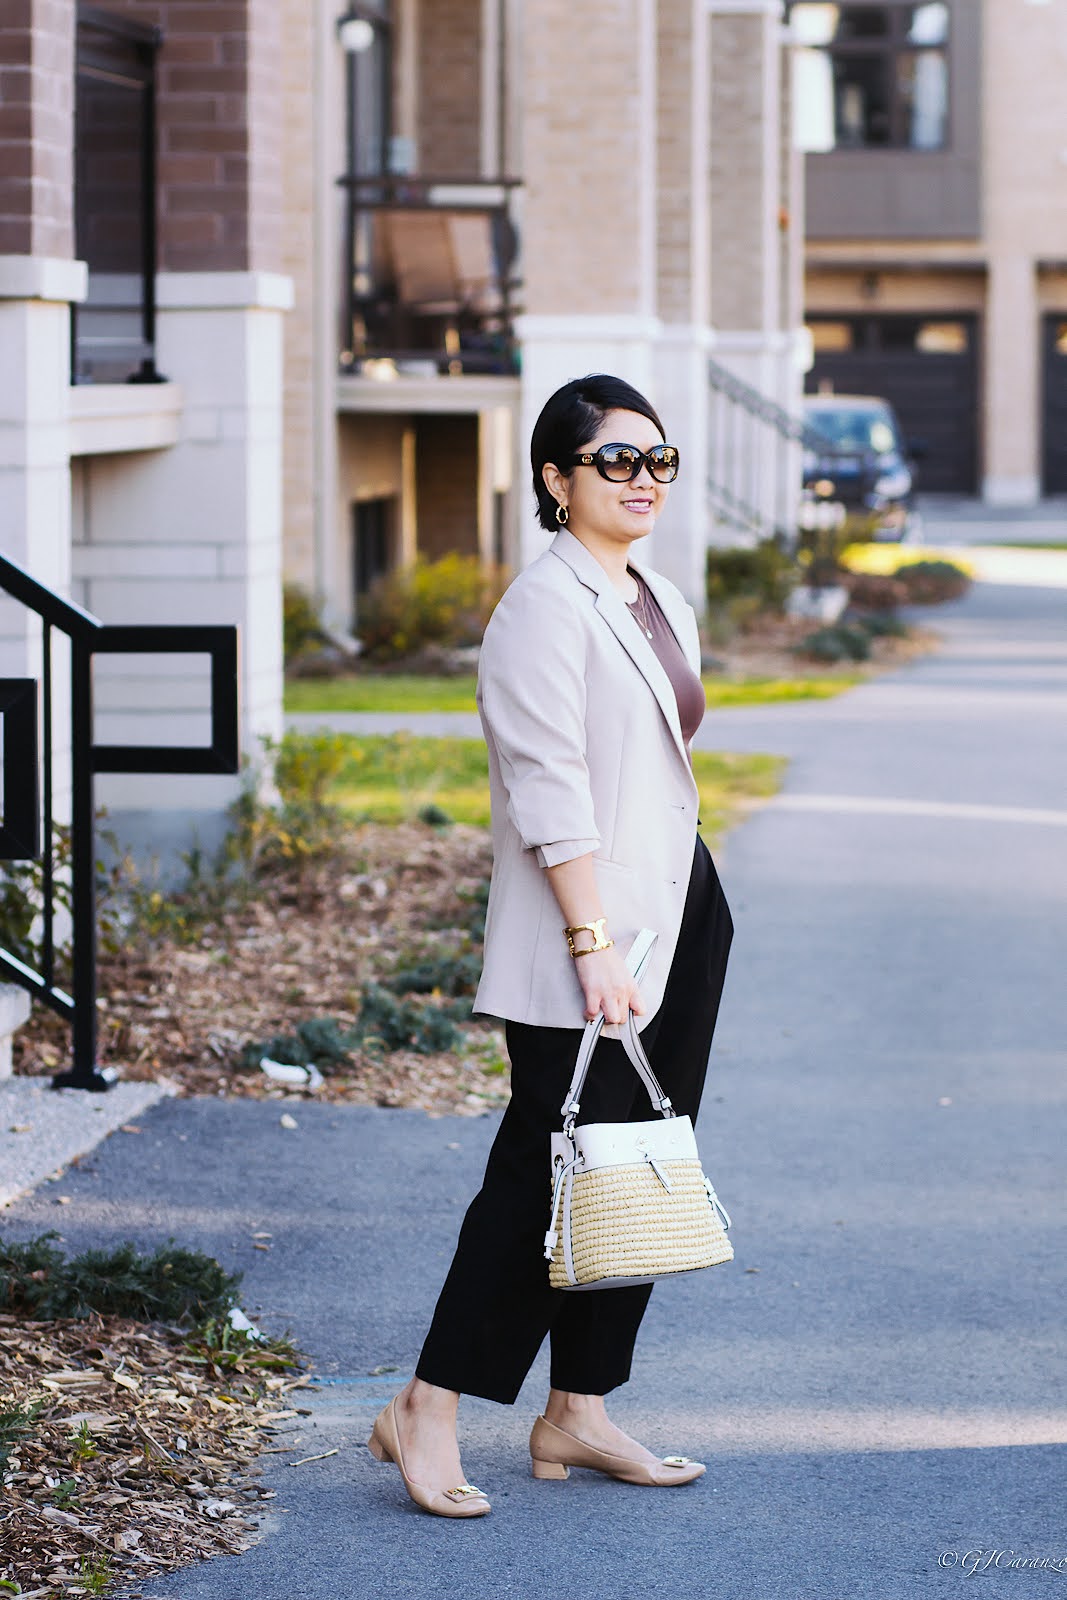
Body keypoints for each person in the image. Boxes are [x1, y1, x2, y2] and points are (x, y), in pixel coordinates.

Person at [368, 374, 734, 1518]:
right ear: (555, 477)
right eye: (615, 461)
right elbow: (547, 787)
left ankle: (577, 1409)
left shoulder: (648, 593)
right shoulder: (541, 607)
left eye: (655, 460)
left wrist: (651, 919)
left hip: (677, 916)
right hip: (588, 932)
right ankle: (425, 1403)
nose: (641, 481)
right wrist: (589, 939)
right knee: (543, 1167)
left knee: (632, 1165)